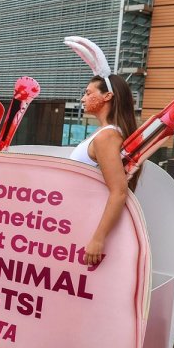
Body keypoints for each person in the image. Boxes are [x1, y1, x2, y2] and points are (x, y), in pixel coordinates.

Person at [70, 74, 137, 266]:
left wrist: (98, 238)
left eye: (88, 93)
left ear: (107, 96)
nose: (83, 99)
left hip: (88, 227)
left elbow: (119, 191)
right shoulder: (106, 132)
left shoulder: (107, 136)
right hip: (82, 221)